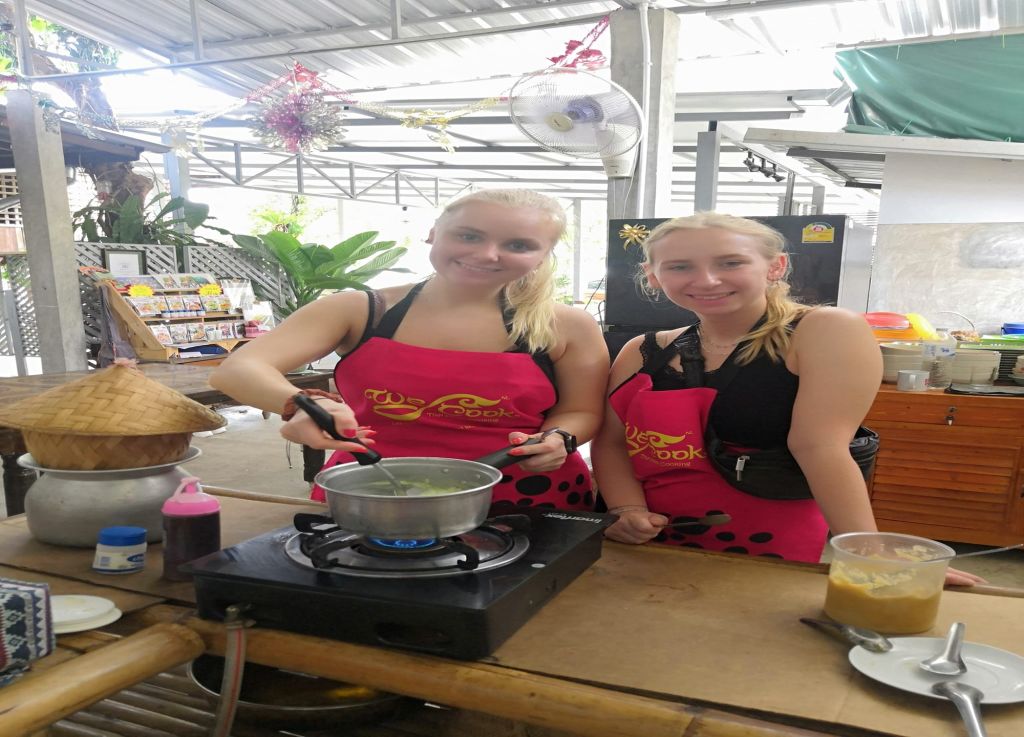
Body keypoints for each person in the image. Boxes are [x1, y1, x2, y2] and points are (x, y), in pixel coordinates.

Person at [590, 212, 984, 585]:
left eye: (730, 263)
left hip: (763, 538)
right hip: (647, 537)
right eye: (680, 266)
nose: (707, 280)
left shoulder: (822, 331)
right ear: (653, 276)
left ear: (775, 266)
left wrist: (868, 553)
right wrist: (626, 509)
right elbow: (611, 442)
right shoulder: (644, 350)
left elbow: (821, 447)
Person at [210, 188, 608, 511]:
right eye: (469, 236)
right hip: (372, 490)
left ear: (543, 255)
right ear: (433, 233)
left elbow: (583, 411)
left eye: (518, 244)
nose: (487, 254)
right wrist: (304, 405)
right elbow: (239, 369)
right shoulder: (359, 310)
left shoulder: (567, 325)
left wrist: (560, 437)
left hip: (527, 492)